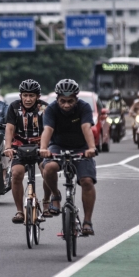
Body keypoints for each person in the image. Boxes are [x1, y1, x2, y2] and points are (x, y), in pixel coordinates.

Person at [39, 79, 98, 236]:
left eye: (70, 101)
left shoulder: (84, 107)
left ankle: (87, 222)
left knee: (87, 181)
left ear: (76, 99)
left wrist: (91, 148)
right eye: (62, 101)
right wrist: (43, 148)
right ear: (57, 99)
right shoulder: (51, 109)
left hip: (81, 148)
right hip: (58, 146)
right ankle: (56, 196)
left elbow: (86, 127)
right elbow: (48, 129)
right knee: (49, 167)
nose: (66, 105)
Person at [3, 79, 51, 224]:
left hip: (41, 146)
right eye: (25, 95)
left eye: (31, 96)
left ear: (37, 96)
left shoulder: (45, 108)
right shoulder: (13, 107)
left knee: (48, 172)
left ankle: (47, 202)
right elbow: (9, 129)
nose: (28, 99)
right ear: (20, 96)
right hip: (20, 147)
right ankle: (19, 211)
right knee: (16, 174)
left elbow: (49, 129)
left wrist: (47, 148)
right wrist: (8, 147)